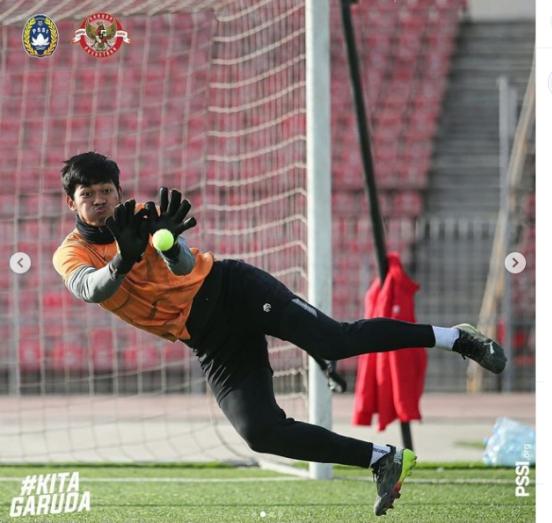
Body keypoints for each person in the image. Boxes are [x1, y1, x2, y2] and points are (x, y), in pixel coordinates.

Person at [51, 152, 506, 516]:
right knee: (259, 432)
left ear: (118, 191)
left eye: (106, 190)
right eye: (88, 193)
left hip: (232, 289)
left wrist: (168, 245)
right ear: (71, 202)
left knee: (333, 340)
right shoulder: (70, 253)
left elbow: (185, 264)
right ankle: (382, 459)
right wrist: (122, 259)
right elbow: (92, 288)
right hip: (207, 337)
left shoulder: (143, 217)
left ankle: (456, 338)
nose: (100, 200)